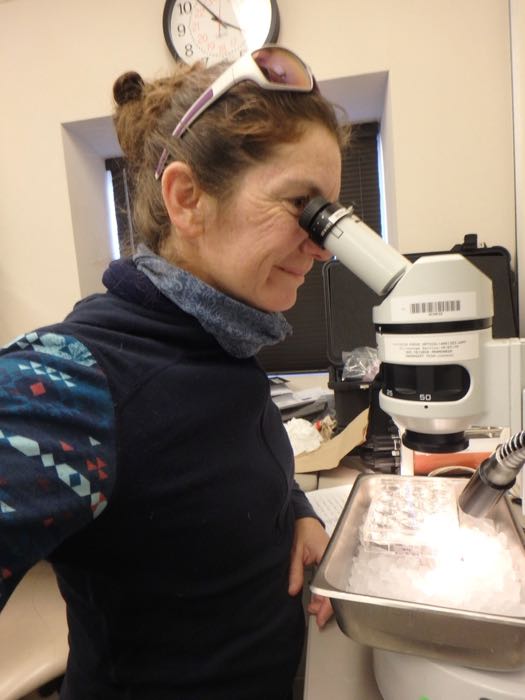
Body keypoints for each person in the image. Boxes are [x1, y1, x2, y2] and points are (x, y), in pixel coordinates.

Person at [0, 46, 347, 699]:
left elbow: (206, 472)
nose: (325, 245)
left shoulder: (222, 345)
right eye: (302, 207)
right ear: (187, 199)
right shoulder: (73, 381)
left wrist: (294, 512)